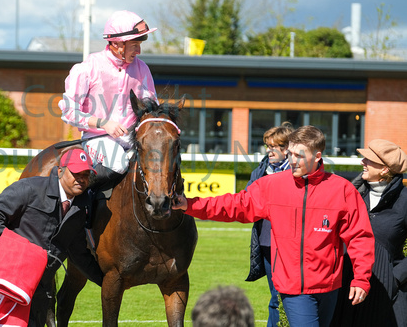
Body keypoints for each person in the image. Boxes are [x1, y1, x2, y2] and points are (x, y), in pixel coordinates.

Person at [173, 125, 375, 327]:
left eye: (299, 155)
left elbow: (360, 237)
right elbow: (233, 205)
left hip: (329, 287)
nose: (292, 160)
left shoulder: (343, 190)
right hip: (293, 288)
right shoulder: (271, 186)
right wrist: (190, 204)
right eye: (290, 154)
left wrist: (361, 279)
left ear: (317, 156)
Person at [0, 148, 104, 327]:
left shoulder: (81, 205)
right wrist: (19, 253)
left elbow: (78, 251)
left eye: (86, 174)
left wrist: (105, 279)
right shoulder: (29, 188)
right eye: (76, 173)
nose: (81, 179)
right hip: (6, 277)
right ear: (60, 171)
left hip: (40, 283)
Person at [58, 10, 158, 190]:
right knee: (118, 163)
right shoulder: (87, 68)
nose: (139, 50)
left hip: (132, 139)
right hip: (97, 138)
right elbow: (69, 112)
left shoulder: (143, 69)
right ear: (118, 44)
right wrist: (104, 123)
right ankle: (84, 207)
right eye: (135, 44)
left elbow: (152, 107)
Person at [331, 139, 407, 327]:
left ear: (384, 170)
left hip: (387, 290)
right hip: (346, 285)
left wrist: (395, 277)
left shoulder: (405, 200)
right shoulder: (351, 193)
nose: (362, 162)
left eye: (368, 159)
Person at [245, 123, 293, 327]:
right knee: (275, 298)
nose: (269, 150)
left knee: (288, 297)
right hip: (266, 243)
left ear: (287, 149)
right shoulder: (260, 171)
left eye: (274, 146)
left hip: (291, 244)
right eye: (267, 145)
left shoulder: (300, 171)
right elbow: (246, 202)